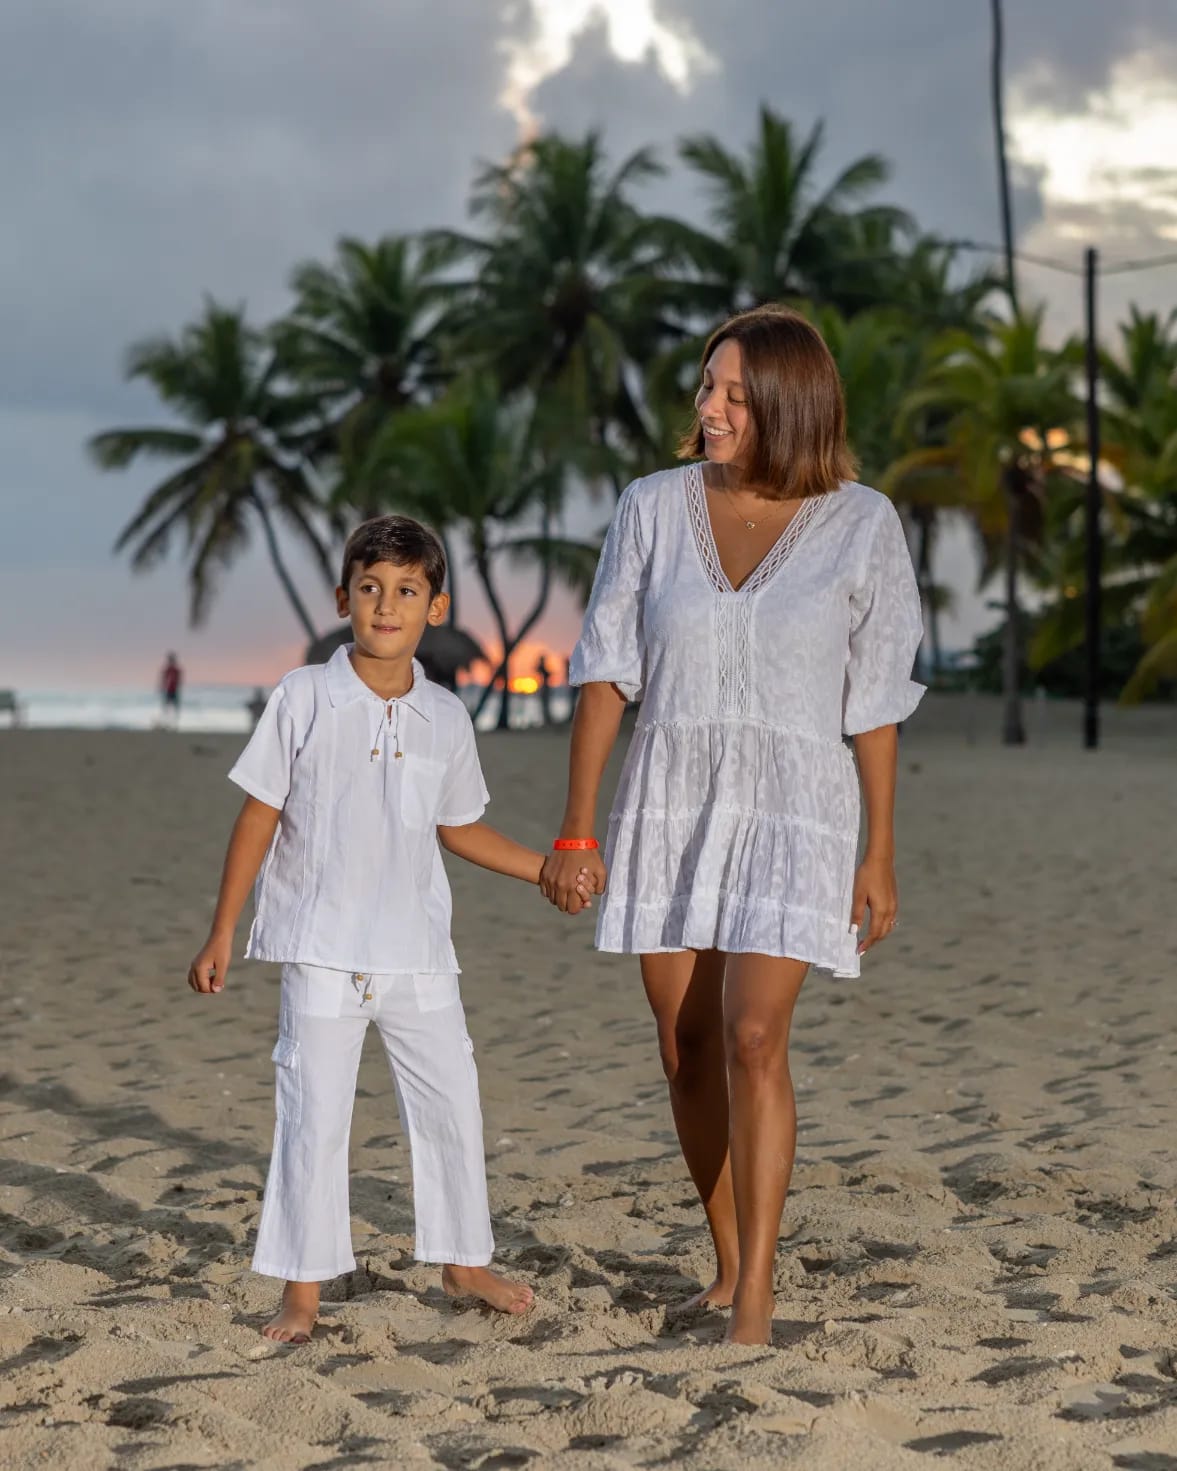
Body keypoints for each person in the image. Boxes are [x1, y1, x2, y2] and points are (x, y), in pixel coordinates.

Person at [540, 306, 925, 1346]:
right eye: (706, 386)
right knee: (685, 1041)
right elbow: (607, 670)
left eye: (733, 395)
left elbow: (875, 701)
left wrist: (879, 850)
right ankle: (722, 1262)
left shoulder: (861, 523)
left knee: (755, 1034)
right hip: (670, 790)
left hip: (796, 806)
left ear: (789, 405)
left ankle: (754, 1297)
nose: (707, 408)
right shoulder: (652, 507)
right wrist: (578, 827)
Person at [187, 515, 593, 1345]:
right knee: (313, 1117)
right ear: (344, 599)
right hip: (320, 948)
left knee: (452, 1103)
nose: (386, 605)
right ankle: (302, 1291)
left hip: (418, 952)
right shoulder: (304, 695)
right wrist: (223, 928)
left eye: (406, 591)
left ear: (433, 607)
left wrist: (545, 867)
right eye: (370, 588)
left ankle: (462, 1258)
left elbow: (460, 828)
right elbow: (259, 811)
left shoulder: (446, 717)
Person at [160, 653, 182, 728]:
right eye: (170, 660)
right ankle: (166, 723)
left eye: (172, 660)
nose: (171, 662)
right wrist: (162, 688)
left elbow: (179, 681)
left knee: (175, 708)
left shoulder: (176, 670)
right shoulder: (167, 670)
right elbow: (163, 680)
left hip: (174, 691)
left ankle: (175, 724)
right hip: (168, 691)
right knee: (166, 708)